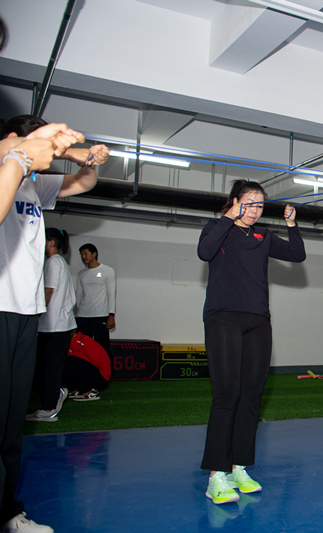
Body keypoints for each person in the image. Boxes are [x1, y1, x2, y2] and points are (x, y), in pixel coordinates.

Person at [0, 116, 108, 533]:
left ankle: (8, 512)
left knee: (12, 424)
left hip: (26, 312)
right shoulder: (8, 168)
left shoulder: (34, 184)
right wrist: (19, 154)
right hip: (1, 307)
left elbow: (83, 183)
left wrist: (88, 160)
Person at [198, 180, 305, 505]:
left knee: (250, 398)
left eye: (260, 205)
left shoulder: (263, 236)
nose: (255, 210)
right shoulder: (217, 228)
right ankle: (216, 475)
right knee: (227, 395)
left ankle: (239, 468)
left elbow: (296, 254)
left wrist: (291, 225)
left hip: (258, 320)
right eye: (249, 203)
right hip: (223, 318)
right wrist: (228, 217)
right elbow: (204, 252)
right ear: (234, 202)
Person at [26, 228, 75, 422]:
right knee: (46, 367)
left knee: (50, 368)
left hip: (55, 325)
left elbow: (48, 291)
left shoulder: (53, 262)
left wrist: (34, 314)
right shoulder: (57, 262)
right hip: (55, 325)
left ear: (51, 242)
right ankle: (55, 394)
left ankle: (49, 408)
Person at [75, 243, 116, 353]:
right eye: (81, 255)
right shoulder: (81, 274)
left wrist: (111, 315)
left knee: (102, 348)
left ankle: (104, 365)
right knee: (83, 348)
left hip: (100, 315)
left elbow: (111, 294)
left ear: (94, 254)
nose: (83, 257)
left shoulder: (107, 271)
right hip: (83, 316)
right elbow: (78, 294)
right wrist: (76, 315)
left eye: (85, 254)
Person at [63, 330, 111, 401]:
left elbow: (98, 363)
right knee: (62, 361)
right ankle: (76, 390)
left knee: (70, 360)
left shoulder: (85, 340)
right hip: (90, 372)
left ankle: (89, 391)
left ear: (73, 330)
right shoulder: (67, 343)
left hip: (101, 377)